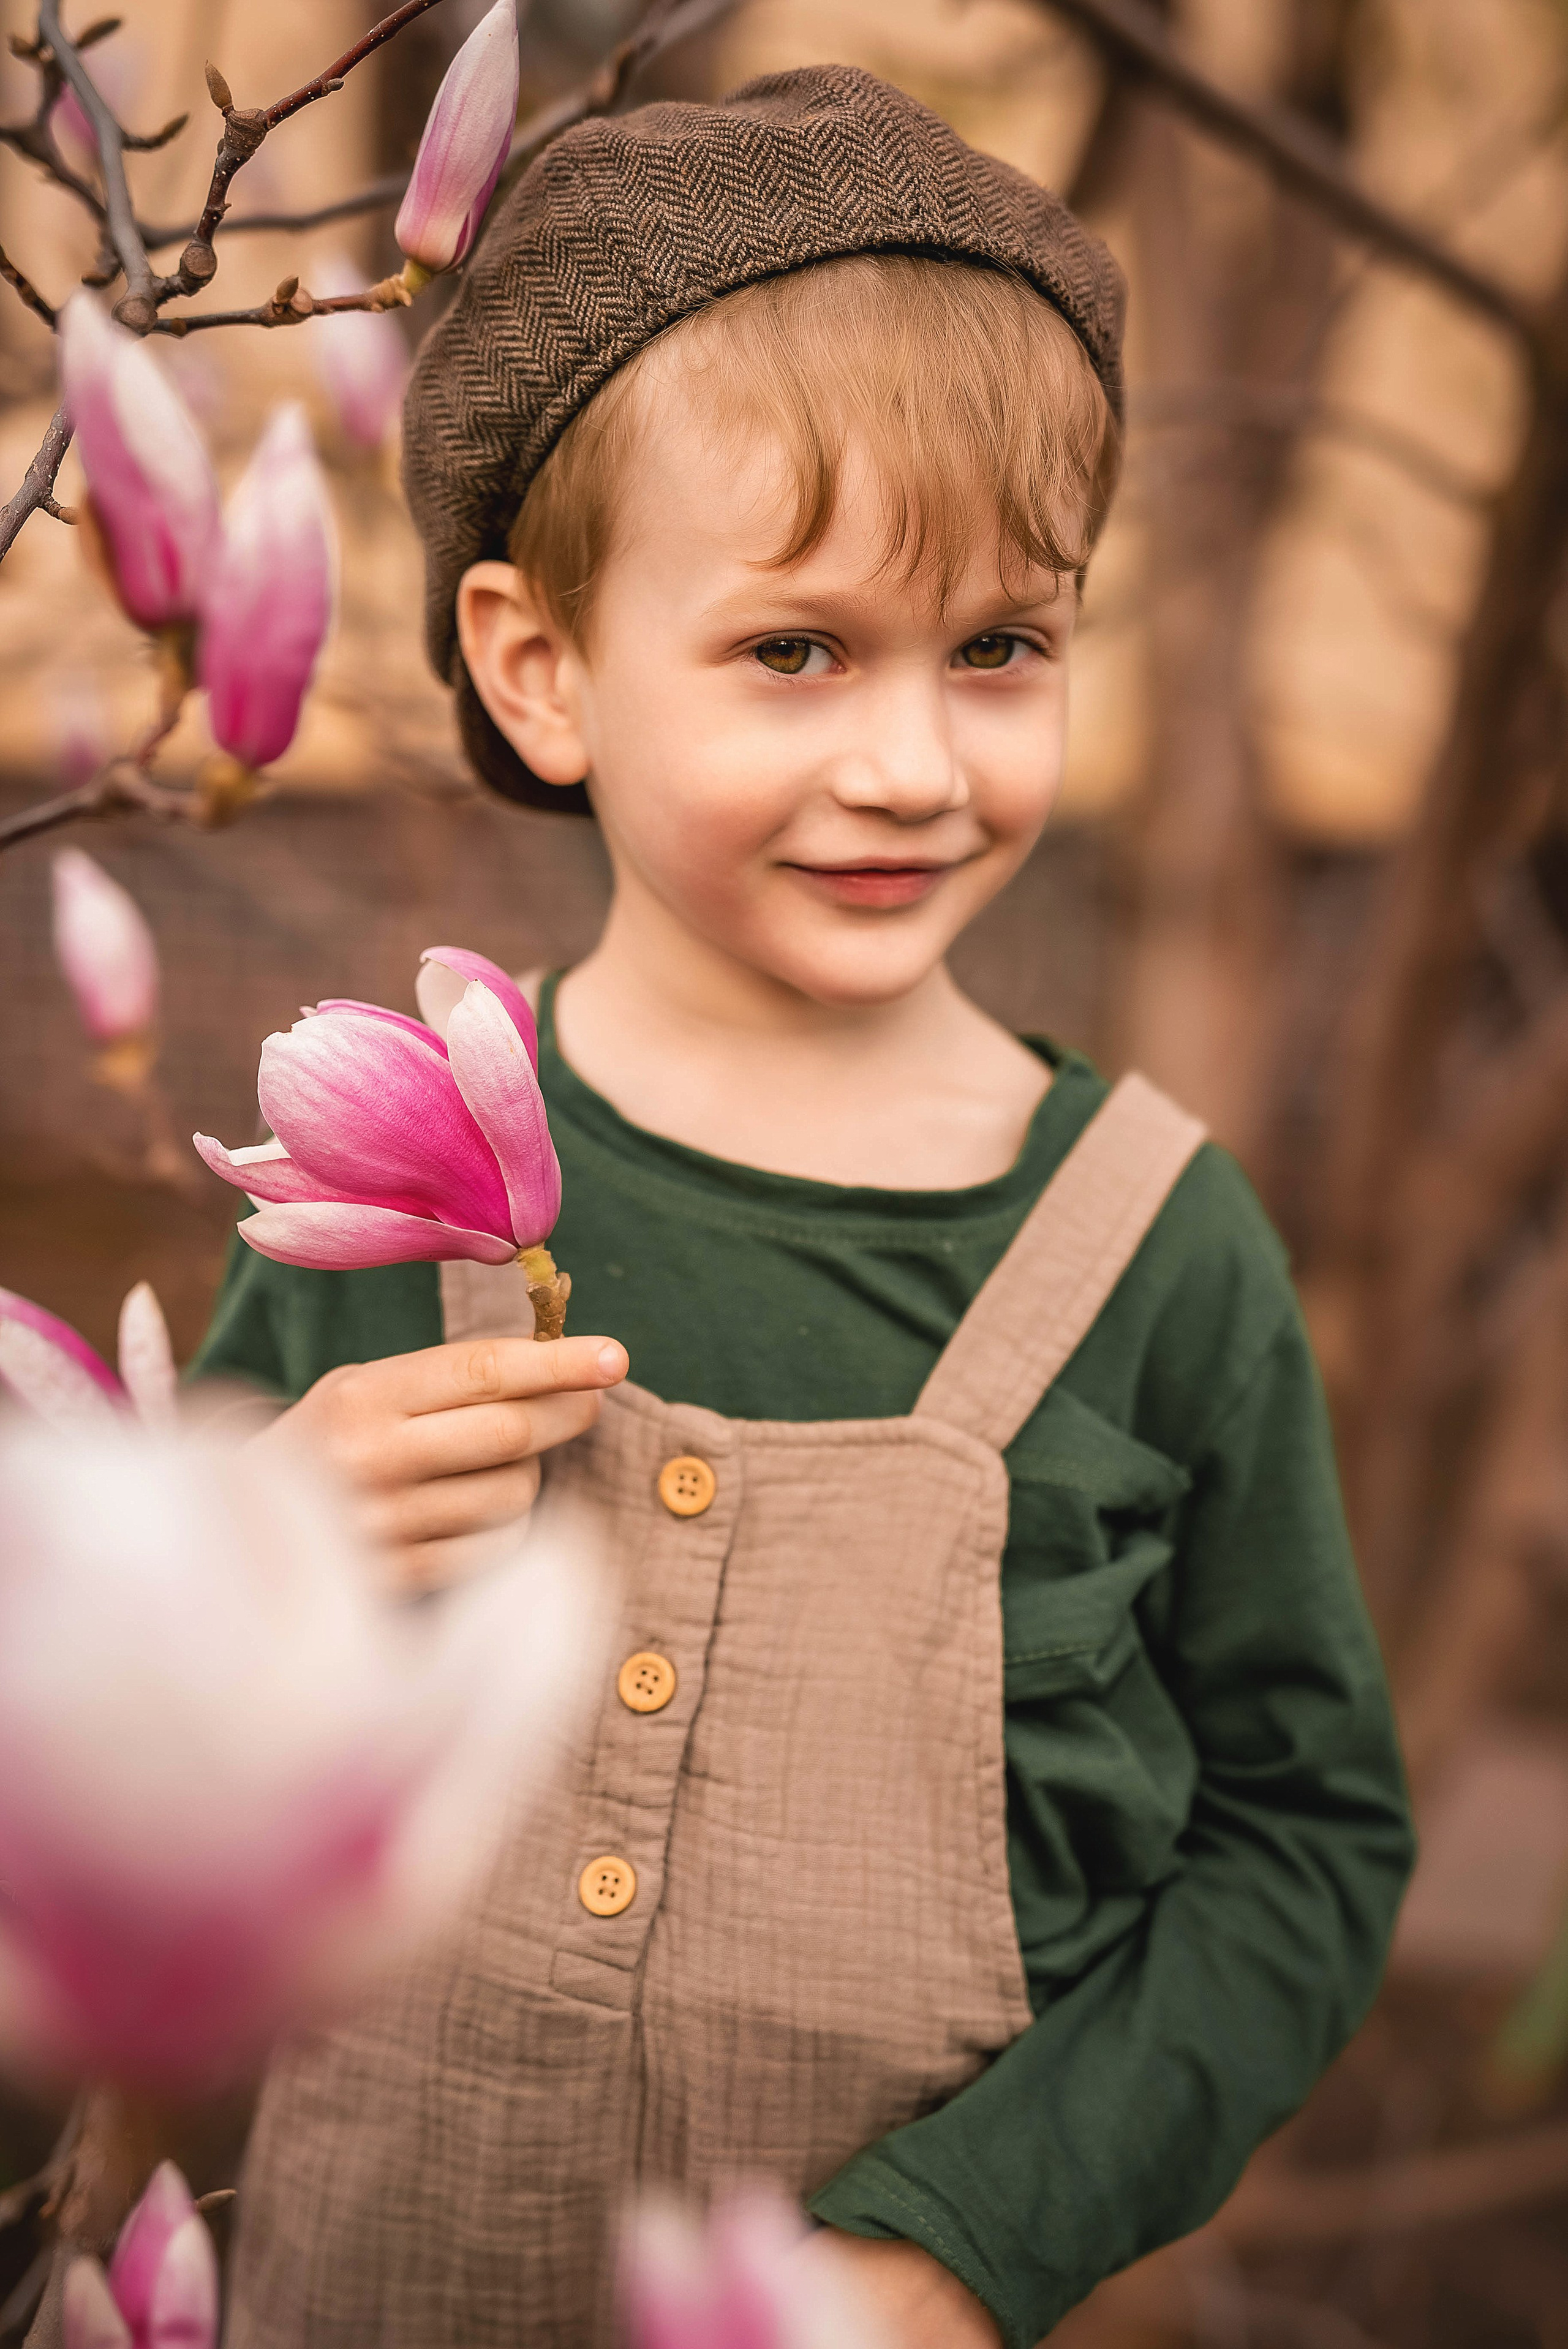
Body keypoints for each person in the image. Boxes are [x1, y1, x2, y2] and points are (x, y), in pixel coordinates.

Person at [196, 64, 1415, 2349]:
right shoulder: (387, 1180)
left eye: (1000, 647)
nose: (915, 763)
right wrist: (257, 1539)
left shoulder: (1161, 1251)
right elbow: (136, 1745)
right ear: (538, 668)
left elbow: (1304, 1842)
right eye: (796, 650)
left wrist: (961, 2244)